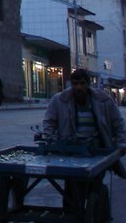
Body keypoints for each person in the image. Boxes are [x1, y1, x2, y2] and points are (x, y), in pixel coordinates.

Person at [43, 69, 126, 214]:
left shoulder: (104, 100)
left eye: (82, 83)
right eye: (75, 84)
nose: (79, 87)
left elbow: (118, 124)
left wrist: (121, 144)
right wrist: (52, 140)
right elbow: (49, 122)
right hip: (71, 153)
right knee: (72, 190)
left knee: (95, 187)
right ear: (71, 84)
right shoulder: (59, 99)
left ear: (88, 84)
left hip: (98, 152)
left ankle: (97, 213)